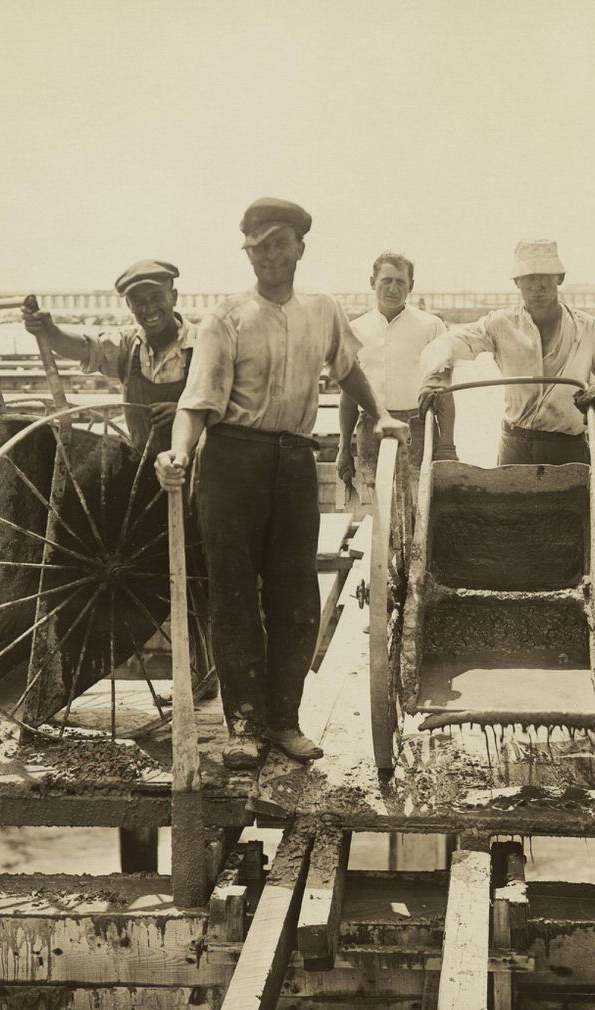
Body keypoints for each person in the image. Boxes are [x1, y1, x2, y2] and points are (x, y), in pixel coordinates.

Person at [155, 198, 407, 770]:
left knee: (296, 598)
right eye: (259, 246)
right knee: (235, 596)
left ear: (299, 248)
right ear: (248, 253)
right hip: (231, 463)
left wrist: (379, 414)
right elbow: (196, 403)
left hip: (294, 460)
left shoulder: (323, 311)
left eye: (280, 244)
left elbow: (348, 369)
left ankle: (284, 721)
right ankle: (243, 726)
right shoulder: (227, 319)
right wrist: (179, 452)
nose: (271, 255)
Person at [418, 239, 595, 466]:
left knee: (574, 499)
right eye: (528, 277)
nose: (537, 285)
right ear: (517, 282)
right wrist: (434, 376)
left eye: (545, 275)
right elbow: (446, 344)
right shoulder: (500, 324)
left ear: (560, 278)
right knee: (508, 500)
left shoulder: (587, 328)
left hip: (568, 451)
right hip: (516, 447)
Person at [22, 259, 196, 453]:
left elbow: (232, 407)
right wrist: (50, 332)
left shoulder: (204, 344)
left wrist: (188, 413)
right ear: (129, 305)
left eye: (156, 298)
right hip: (143, 467)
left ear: (173, 297)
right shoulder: (128, 344)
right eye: (138, 301)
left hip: (199, 471)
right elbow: (83, 348)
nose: (148, 309)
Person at [337, 252, 450, 513]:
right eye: (386, 280)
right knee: (380, 511)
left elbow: (444, 391)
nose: (393, 288)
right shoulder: (354, 330)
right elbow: (348, 397)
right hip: (371, 429)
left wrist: (447, 447)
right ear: (371, 282)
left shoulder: (431, 326)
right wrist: (344, 448)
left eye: (401, 282)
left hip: (418, 427)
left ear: (411, 286)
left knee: (420, 509)